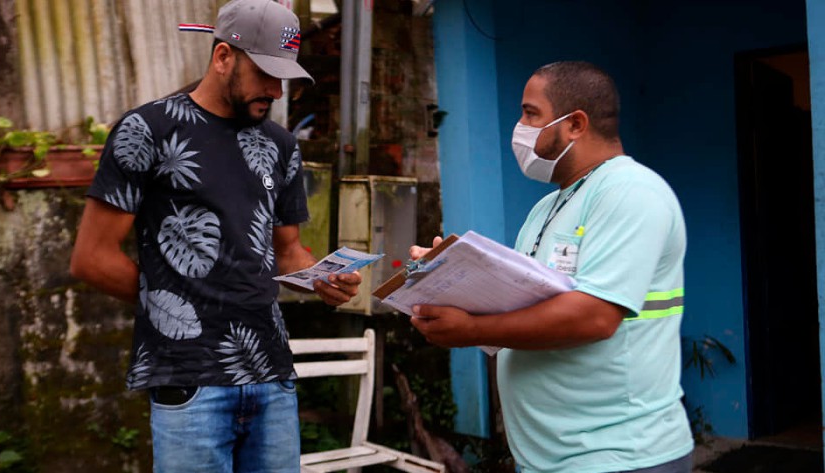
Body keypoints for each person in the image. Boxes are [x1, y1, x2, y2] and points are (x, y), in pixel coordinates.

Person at [69, 1, 361, 471]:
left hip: (272, 375)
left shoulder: (281, 146)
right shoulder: (148, 130)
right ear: (223, 56)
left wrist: (322, 280)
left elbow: (287, 253)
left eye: (284, 78)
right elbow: (92, 259)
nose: (276, 91)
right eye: (265, 74)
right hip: (190, 380)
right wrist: (176, 307)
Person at [409, 61, 693, 473]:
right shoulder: (549, 206)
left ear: (575, 123)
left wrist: (471, 330)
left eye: (530, 113)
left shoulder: (631, 191)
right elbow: (526, 305)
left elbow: (595, 317)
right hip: (554, 459)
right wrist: (450, 279)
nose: (519, 127)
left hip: (619, 456)